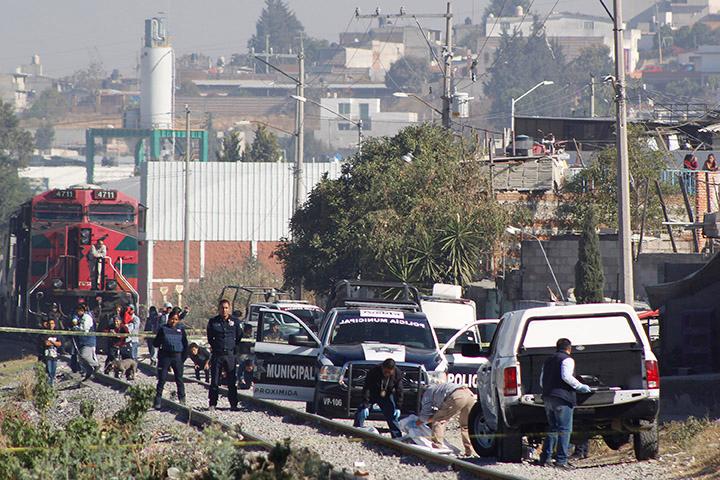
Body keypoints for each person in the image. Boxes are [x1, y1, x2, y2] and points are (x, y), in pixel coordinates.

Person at [537, 338, 592, 470]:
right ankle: (561, 461)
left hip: (548, 397)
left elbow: (541, 380)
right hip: (562, 398)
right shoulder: (567, 359)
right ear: (569, 348)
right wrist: (580, 386)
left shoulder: (548, 360)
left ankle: (545, 458)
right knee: (565, 429)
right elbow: (566, 376)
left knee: (553, 427)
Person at [416, 373, 476, 456]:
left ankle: (437, 447)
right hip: (470, 395)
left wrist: (418, 423)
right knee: (465, 426)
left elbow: (425, 414)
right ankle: (469, 451)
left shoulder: (428, 392)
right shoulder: (440, 387)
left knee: (439, 420)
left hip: (457, 396)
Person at [354, 358, 404, 439]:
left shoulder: (397, 373)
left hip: (387, 395)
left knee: (392, 414)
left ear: (393, 370)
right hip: (372, 393)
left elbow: (400, 391)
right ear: (382, 368)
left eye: (389, 372)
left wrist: (398, 407)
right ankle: (356, 432)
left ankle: (397, 437)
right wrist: (365, 404)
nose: (387, 373)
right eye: (385, 371)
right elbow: (366, 388)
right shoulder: (374, 371)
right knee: (361, 411)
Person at [206, 299, 241, 411]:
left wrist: (232, 346)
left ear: (229, 308)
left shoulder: (235, 321)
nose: (224, 310)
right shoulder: (213, 321)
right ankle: (212, 403)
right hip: (217, 354)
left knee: (231, 381)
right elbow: (210, 337)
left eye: (226, 308)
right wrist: (216, 346)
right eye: (222, 308)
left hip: (230, 355)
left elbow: (239, 335)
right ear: (219, 309)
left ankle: (233, 404)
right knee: (215, 381)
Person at [153, 310, 188, 409]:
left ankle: (182, 399)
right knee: (162, 379)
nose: (174, 321)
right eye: (172, 319)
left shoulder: (181, 330)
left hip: (177, 357)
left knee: (179, 379)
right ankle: (158, 400)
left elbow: (185, 345)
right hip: (165, 356)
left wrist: (182, 359)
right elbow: (156, 343)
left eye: (176, 319)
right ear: (169, 319)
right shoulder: (163, 329)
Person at [74, 304, 99, 381]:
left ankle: (96, 365)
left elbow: (85, 329)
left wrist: (76, 328)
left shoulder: (86, 318)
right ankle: (89, 371)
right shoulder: (80, 318)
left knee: (84, 355)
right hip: (82, 341)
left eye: (79, 311)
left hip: (88, 341)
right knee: (81, 358)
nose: (77, 312)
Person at [40, 318, 61, 386]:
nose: (51, 325)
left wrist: (52, 342)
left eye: (52, 323)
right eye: (50, 324)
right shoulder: (45, 333)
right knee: (48, 370)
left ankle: (51, 383)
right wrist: (54, 343)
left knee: (53, 371)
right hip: (47, 354)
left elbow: (59, 343)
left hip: (54, 354)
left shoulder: (57, 333)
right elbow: (46, 343)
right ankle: (48, 384)